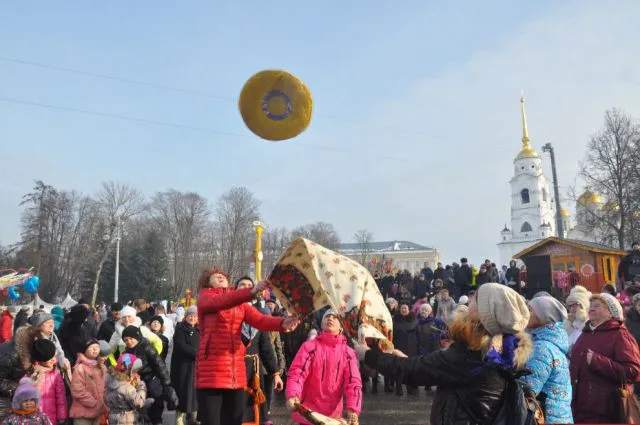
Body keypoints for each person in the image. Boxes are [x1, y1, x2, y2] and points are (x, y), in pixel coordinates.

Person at [355, 282, 533, 425]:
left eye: (475, 299)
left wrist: (368, 355)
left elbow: (413, 372)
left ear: (484, 313)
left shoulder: (472, 354)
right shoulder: (504, 348)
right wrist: (406, 360)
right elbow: (434, 369)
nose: (470, 301)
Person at [195, 267, 299, 425]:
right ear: (207, 282)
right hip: (212, 373)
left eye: (223, 276)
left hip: (236, 373)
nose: (221, 277)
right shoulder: (205, 297)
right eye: (216, 277)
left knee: (235, 420)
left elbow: (261, 320)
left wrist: (283, 323)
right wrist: (252, 290)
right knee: (212, 421)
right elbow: (222, 301)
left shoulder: (241, 305)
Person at [570, 292, 640, 423]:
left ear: (611, 312)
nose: (591, 308)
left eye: (597, 306)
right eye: (591, 305)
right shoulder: (585, 334)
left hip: (608, 413)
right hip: (579, 410)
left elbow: (634, 372)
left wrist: (598, 361)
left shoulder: (620, 335)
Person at [286, 309, 362, 425]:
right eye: (327, 317)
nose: (330, 318)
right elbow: (297, 373)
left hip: (332, 418)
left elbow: (353, 383)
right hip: (307, 414)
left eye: (335, 317)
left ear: (341, 327)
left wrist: (353, 410)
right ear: (321, 325)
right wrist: (293, 395)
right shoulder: (309, 347)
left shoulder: (348, 353)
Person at [522, 296, 573, 424]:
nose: (526, 314)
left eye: (530, 310)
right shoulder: (552, 342)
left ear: (544, 316)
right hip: (559, 417)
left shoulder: (542, 348)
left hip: (546, 418)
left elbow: (527, 388)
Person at [122, 326, 177, 425]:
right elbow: (125, 369)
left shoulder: (147, 347)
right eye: (126, 340)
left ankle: (157, 421)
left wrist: (166, 383)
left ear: (137, 337)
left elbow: (160, 365)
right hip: (137, 381)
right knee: (140, 404)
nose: (129, 342)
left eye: (131, 338)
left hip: (152, 378)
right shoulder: (125, 353)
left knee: (156, 399)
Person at [27, 339, 68, 425]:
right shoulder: (31, 374)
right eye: (48, 359)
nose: (52, 360)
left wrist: (62, 416)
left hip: (51, 418)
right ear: (39, 360)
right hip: (34, 418)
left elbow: (60, 398)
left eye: (53, 356)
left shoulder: (55, 374)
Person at [69, 339, 108, 425]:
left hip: (98, 413)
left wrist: (104, 403)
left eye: (97, 347)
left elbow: (106, 386)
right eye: (92, 347)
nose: (95, 350)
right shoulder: (80, 368)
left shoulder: (102, 367)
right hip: (83, 413)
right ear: (85, 350)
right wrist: (94, 403)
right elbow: (77, 390)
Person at [171, 306, 199, 425]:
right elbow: (181, 346)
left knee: (195, 391)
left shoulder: (200, 330)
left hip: (196, 366)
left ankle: (193, 417)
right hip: (182, 366)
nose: (192, 318)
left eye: (194, 316)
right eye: (190, 316)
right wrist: (198, 354)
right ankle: (179, 418)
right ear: (185, 317)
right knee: (182, 391)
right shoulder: (180, 329)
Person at [104, 353, 147, 425]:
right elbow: (138, 403)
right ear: (128, 370)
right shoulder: (126, 388)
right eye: (135, 370)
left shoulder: (110, 380)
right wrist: (141, 385)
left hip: (113, 415)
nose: (136, 372)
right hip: (126, 419)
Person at [564, 286, 590, 351]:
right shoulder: (568, 324)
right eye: (569, 306)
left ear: (583, 305)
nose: (572, 308)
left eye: (575, 304)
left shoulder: (590, 324)